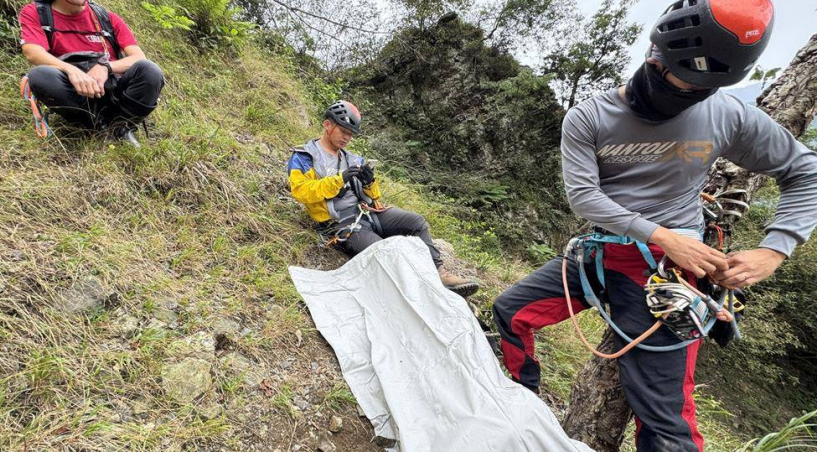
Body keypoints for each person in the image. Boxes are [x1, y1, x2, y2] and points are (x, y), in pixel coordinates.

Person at [492, 1, 817, 451]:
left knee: (665, 421)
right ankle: (519, 407)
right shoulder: (590, 117)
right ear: (655, 59)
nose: (692, 94)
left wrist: (775, 249)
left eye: (703, 88)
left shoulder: (727, 114)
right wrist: (661, 235)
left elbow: (806, 172)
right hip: (600, 254)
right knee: (511, 312)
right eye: (684, 82)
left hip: (663, 275)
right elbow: (585, 197)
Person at [287, 101, 481, 297]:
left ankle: (440, 273)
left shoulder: (353, 159)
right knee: (385, 250)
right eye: (343, 130)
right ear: (327, 125)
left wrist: (370, 183)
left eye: (351, 133)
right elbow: (301, 192)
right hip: (340, 223)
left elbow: (374, 195)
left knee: (416, 222)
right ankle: (424, 289)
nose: (347, 137)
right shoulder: (305, 156)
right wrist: (339, 180)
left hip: (368, 212)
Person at [18, 0, 164, 147]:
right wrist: (70, 69)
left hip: (113, 89)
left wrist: (106, 67)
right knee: (40, 75)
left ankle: (121, 126)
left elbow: (138, 57)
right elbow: (33, 52)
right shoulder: (37, 13)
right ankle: (95, 125)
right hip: (75, 91)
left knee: (150, 71)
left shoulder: (106, 18)